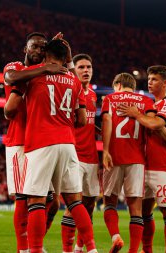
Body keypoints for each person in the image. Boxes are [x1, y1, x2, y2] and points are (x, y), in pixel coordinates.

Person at [5, 39, 98, 253]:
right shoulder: (74, 80)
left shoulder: (34, 74)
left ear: (46, 55)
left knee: (36, 201)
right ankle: (92, 249)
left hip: (41, 142)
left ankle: (35, 250)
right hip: (68, 143)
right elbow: (82, 120)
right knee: (74, 200)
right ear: (66, 57)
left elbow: (10, 108)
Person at [3, 32, 67, 253]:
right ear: (25, 49)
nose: (39, 51)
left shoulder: (45, 75)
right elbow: (10, 77)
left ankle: (34, 245)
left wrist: (59, 54)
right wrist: (45, 68)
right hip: (19, 139)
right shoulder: (18, 68)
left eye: (43, 48)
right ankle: (24, 249)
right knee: (24, 197)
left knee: (51, 200)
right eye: (35, 47)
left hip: (44, 141)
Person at [119, 65, 166, 253]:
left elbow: (156, 124)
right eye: (149, 79)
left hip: (163, 166)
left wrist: (137, 114)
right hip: (143, 166)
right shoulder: (149, 104)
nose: (149, 82)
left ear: (165, 82)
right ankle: (147, 250)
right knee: (144, 212)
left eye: (154, 79)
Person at [101, 73, 156, 253]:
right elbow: (151, 124)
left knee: (110, 202)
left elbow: (107, 120)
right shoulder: (146, 101)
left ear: (117, 85)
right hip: (137, 159)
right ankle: (133, 251)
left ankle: (116, 236)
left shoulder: (109, 98)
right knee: (135, 208)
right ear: (132, 86)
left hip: (114, 157)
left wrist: (106, 150)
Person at [61, 54, 100, 253]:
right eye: (81, 67)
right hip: (73, 156)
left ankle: (78, 248)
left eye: (89, 67)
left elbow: (90, 124)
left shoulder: (93, 95)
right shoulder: (69, 91)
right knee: (73, 205)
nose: (86, 70)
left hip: (92, 157)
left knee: (89, 205)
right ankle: (67, 250)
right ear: (74, 69)